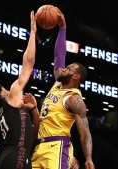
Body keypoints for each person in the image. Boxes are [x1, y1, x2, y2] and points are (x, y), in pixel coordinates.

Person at [31, 8, 95, 169]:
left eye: (70, 68)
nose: (65, 68)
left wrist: (88, 158)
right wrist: (62, 28)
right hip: (40, 147)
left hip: (57, 147)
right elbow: (59, 54)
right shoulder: (58, 83)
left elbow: (85, 133)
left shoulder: (74, 99)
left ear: (76, 77)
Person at [0, 11, 39, 169]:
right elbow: (28, 62)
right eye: (2, 86)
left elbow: (33, 134)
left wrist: (35, 111)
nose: (6, 87)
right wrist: (33, 33)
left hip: (11, 156)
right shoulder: (11, 97)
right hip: (17, 156)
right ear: (0, 93)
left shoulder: (3, 112)